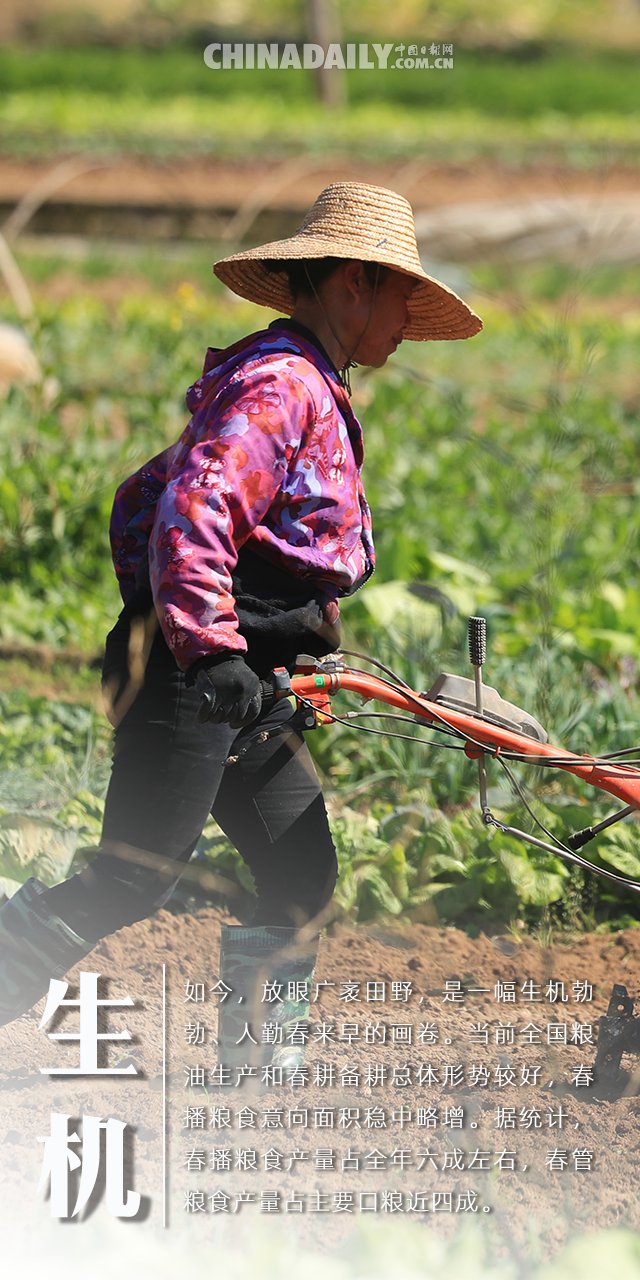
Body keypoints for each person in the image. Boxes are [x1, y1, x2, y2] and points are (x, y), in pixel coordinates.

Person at [0, 182, 482, 1068]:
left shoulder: (307, 384)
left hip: (245, 684)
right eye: (403, 297)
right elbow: (195, 505)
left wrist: (269, 654)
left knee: (303, 876)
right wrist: (208, 646)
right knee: (132, 879)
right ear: (350, 285)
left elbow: (137, 502)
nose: (410, 321)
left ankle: (258, 1076)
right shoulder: (280, 386)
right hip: (204, 679)